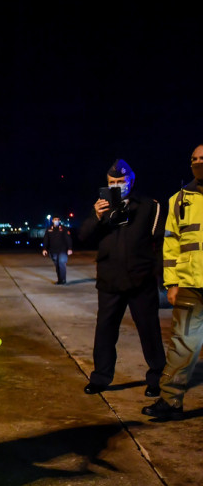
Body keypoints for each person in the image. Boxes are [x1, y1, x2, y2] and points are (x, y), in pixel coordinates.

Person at [78, 159, 165, 397]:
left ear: (131, 181)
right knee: (105, 331)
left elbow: (159, 243)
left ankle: (156, 377)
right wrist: (97, 216)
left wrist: (159, 276)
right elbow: (83, 236)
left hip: (141, 280)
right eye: (112, 182)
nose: (117, 185)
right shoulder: (102, 207)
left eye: (121, 181)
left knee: (149, 330)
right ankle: (100, 377)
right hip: (110, 281)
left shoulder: (149, 206)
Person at [143, 144, 203, 421]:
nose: (198, 162)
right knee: (182, 344)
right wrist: (172, 284)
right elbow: (170, 246)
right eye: (194, 159)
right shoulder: (179, 199)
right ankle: (170, 401)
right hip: (191, 285)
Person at [41, 217, 73, 284]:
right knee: (57, 265)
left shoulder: (63, 228)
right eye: (55, 220)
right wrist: (44, 249)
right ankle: (59, 280)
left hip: (62, 250)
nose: (57, 221)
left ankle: (63, 279)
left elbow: (68, 239)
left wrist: (69, 248)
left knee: (61, 263)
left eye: (58, 220)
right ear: (52, 220)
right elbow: (46, 240)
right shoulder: (49, 229)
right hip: (53, 250)